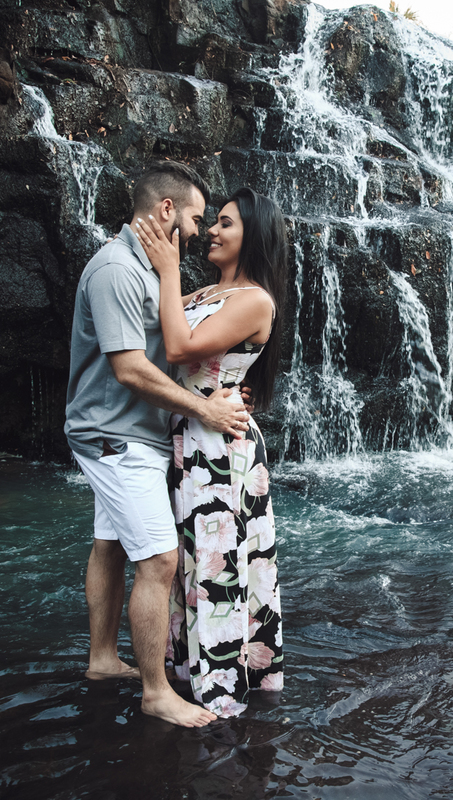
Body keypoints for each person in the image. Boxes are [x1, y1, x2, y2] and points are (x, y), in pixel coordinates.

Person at [64, 161, 251, 728]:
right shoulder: (117, 270)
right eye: (196, 218)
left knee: (110, 545)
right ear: (166, 210)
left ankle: (102, 659)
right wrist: (206, 409)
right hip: (116, 438)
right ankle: (155, 692)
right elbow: (129, 370)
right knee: (161, 558)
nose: (198, 231)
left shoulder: (147, 270)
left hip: (127, 435)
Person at [132, 186, 285, 717]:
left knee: (216, 562)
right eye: (213, 221)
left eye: (226, 223)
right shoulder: (201, 294)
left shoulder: (255, 299)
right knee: (183, 562)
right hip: (183, 436)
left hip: (219, 448)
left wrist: (167, 269)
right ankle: (183, 675)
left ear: (254, 235)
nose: (212, 232)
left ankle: (222, 696)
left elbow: (177, 350)